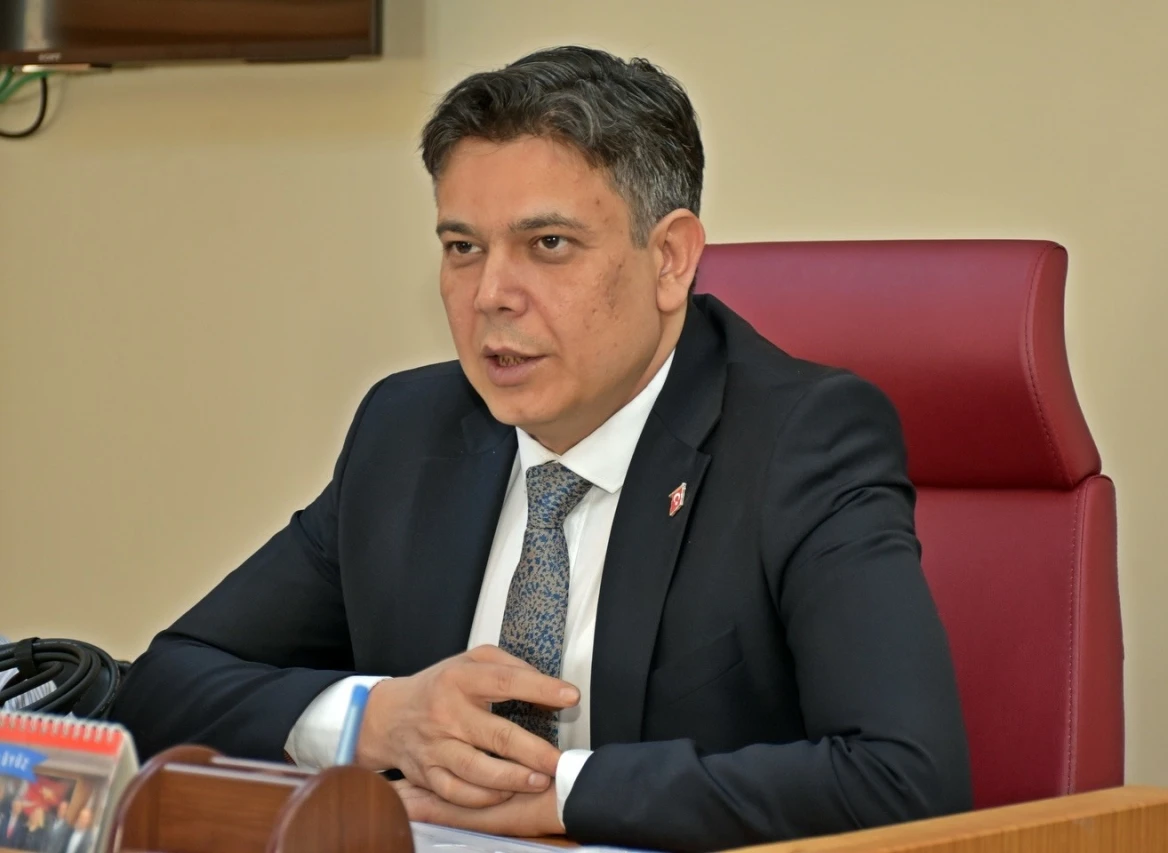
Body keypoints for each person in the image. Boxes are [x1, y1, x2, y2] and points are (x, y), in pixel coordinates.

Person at [110, 45, 971, 851]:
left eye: (547, 245)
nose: (491, 294)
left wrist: (562, 790)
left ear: (670, 260)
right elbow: (164, 684)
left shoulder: (800, 440)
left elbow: (905, 780)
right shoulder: (407, 431)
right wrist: (379, 718)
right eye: (462, 248)